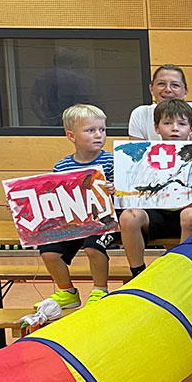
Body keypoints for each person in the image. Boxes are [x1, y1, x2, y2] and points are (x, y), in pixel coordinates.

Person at [120, 99, 192, 279]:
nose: (175, 128)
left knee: (191, 215)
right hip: (155, 213)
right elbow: (132, 190)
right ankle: (138, 274)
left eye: (182, 124)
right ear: (156, 128)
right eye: (167, 123)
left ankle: (181, 273)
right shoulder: (142, 157)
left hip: (188, 213)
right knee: (128, 216)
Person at [37, 104, 116, 308]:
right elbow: (51, 196)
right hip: (73, 223)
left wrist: (115, 189)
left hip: (103, 222)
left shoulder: (112, 162)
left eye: (102, 130)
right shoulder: (61, 167)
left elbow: (127, 194)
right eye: (91, 130)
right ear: (71, 136)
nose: (99, 135)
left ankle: (100, 290)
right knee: (48, 252)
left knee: (93, 248)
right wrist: (23, 205)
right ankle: (67, 292)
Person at [129, 64, 192, 207]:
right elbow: (138, 159)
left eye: (175, 85)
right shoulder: (139, 114)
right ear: (151, 88)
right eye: (161, 84)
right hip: (156, 181)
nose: (167, 89)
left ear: (185, 91)